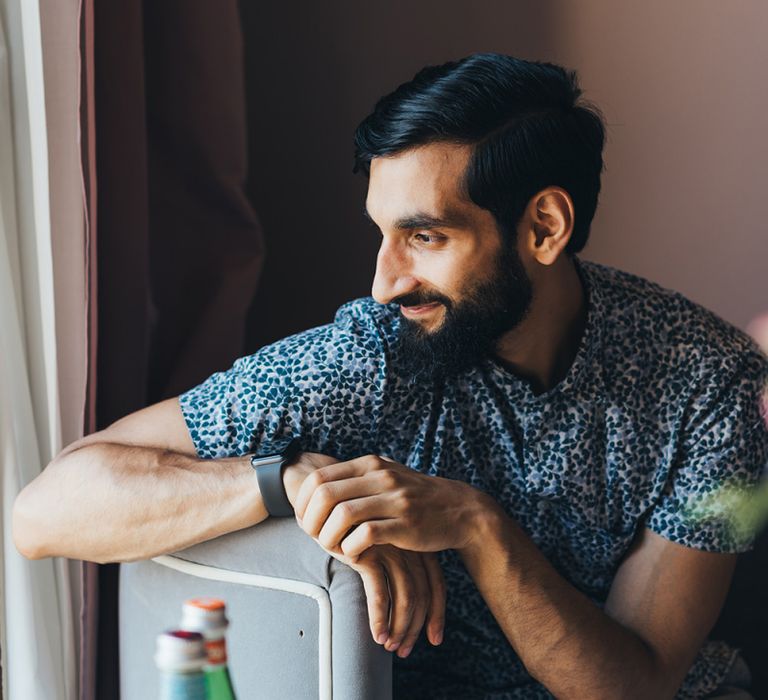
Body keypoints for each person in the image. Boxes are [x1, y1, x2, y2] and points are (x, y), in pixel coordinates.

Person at [14, 54, 768, 699]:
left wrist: (477, 527)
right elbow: (45, 513)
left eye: (425, 236)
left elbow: (633, 686)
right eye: (384, 234)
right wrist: (286, 480)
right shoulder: (370, 357)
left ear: (544, 228)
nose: (383, 282)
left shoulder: (708, 384)